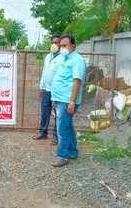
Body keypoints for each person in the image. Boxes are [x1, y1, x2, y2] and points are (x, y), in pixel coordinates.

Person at [50, 35, 87, 167]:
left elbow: (77, 81)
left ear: (73, 46)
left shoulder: (77, 60)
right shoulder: (66, 58)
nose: (62, 48)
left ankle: (63, 155)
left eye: (65, 45)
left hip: (67, 100)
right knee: (68, 126)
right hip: (60, 98)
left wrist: (72, 101)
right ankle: (72, 151)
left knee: (62, 129)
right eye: (61, 46)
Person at [33, 35, 61, 145]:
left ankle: (56, 137)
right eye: (53, 42)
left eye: (57, 42)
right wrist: (41, 87)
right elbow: (44, 72)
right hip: (46, 89)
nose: (54, 44)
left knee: (57, 114)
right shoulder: (48, 56)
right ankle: (43, 133)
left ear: (60, 44)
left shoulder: (62, 57)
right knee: (45, 112)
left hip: (57, 90)